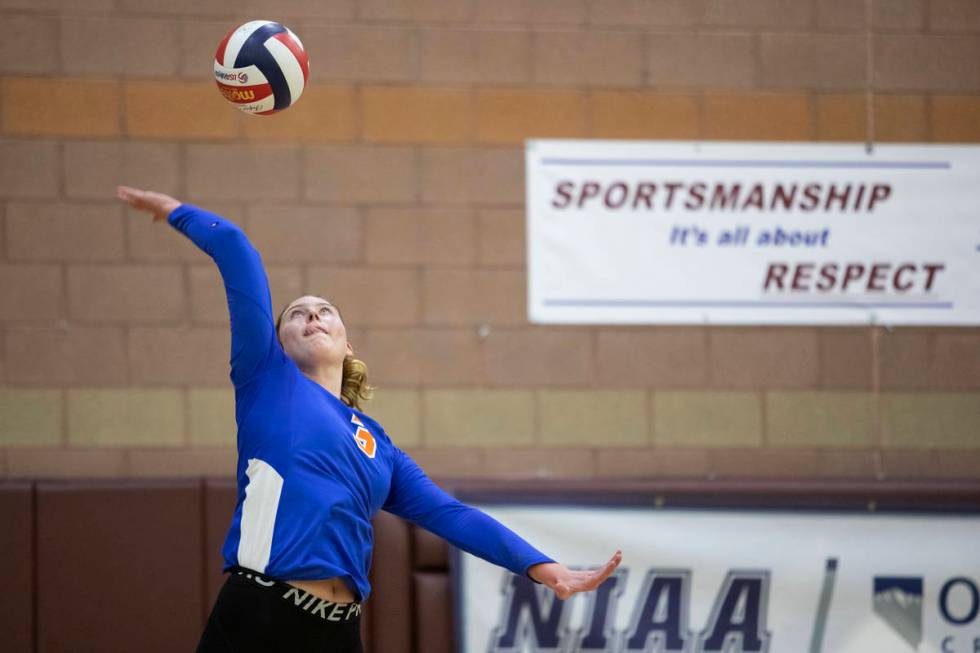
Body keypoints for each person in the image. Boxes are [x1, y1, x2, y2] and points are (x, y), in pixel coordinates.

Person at [116, 186, 622, 653]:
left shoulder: (378, 446)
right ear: (278, 342)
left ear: (347, 342)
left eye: (324, 311)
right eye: (296, 314)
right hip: (261, 614)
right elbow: (235, 249)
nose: (311, 316)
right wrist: (173, 212)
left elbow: (451, 515)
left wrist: (544, 568)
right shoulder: (265, 379)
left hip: (339, 632)